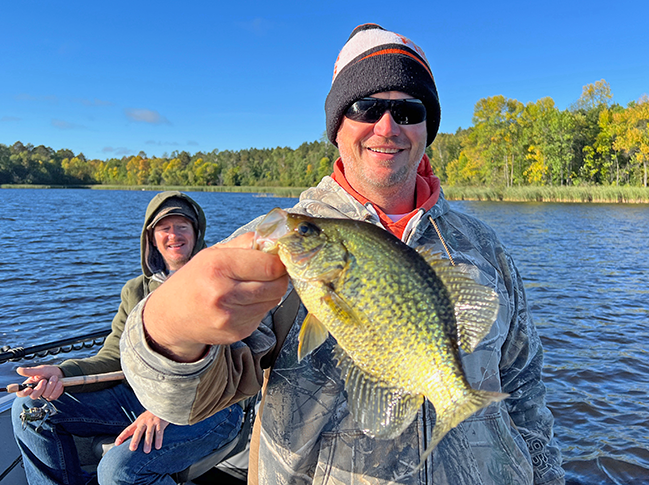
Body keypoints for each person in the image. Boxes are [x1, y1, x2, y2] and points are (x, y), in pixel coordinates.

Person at [120, 24, 566, 484]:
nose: (387, 126)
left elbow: (526, 394)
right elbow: (183, 401)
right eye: (365, 107)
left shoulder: (484, 248)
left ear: (427, 128)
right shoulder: (272, 242)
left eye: (408, 111)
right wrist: (168, 326)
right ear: (337, 126)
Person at [11, 191, 245, 485]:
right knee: (30, 409)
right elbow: (112, 358)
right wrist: (59, 372)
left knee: (117, 470)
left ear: (197, 233)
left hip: (212, 408)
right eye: (164, 227)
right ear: (151, 238)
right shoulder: (135, 291)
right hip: (137, 396)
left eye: (182, 226)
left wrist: (164, 407)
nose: (174, 235)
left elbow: (232, 362)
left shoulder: (220, 283)